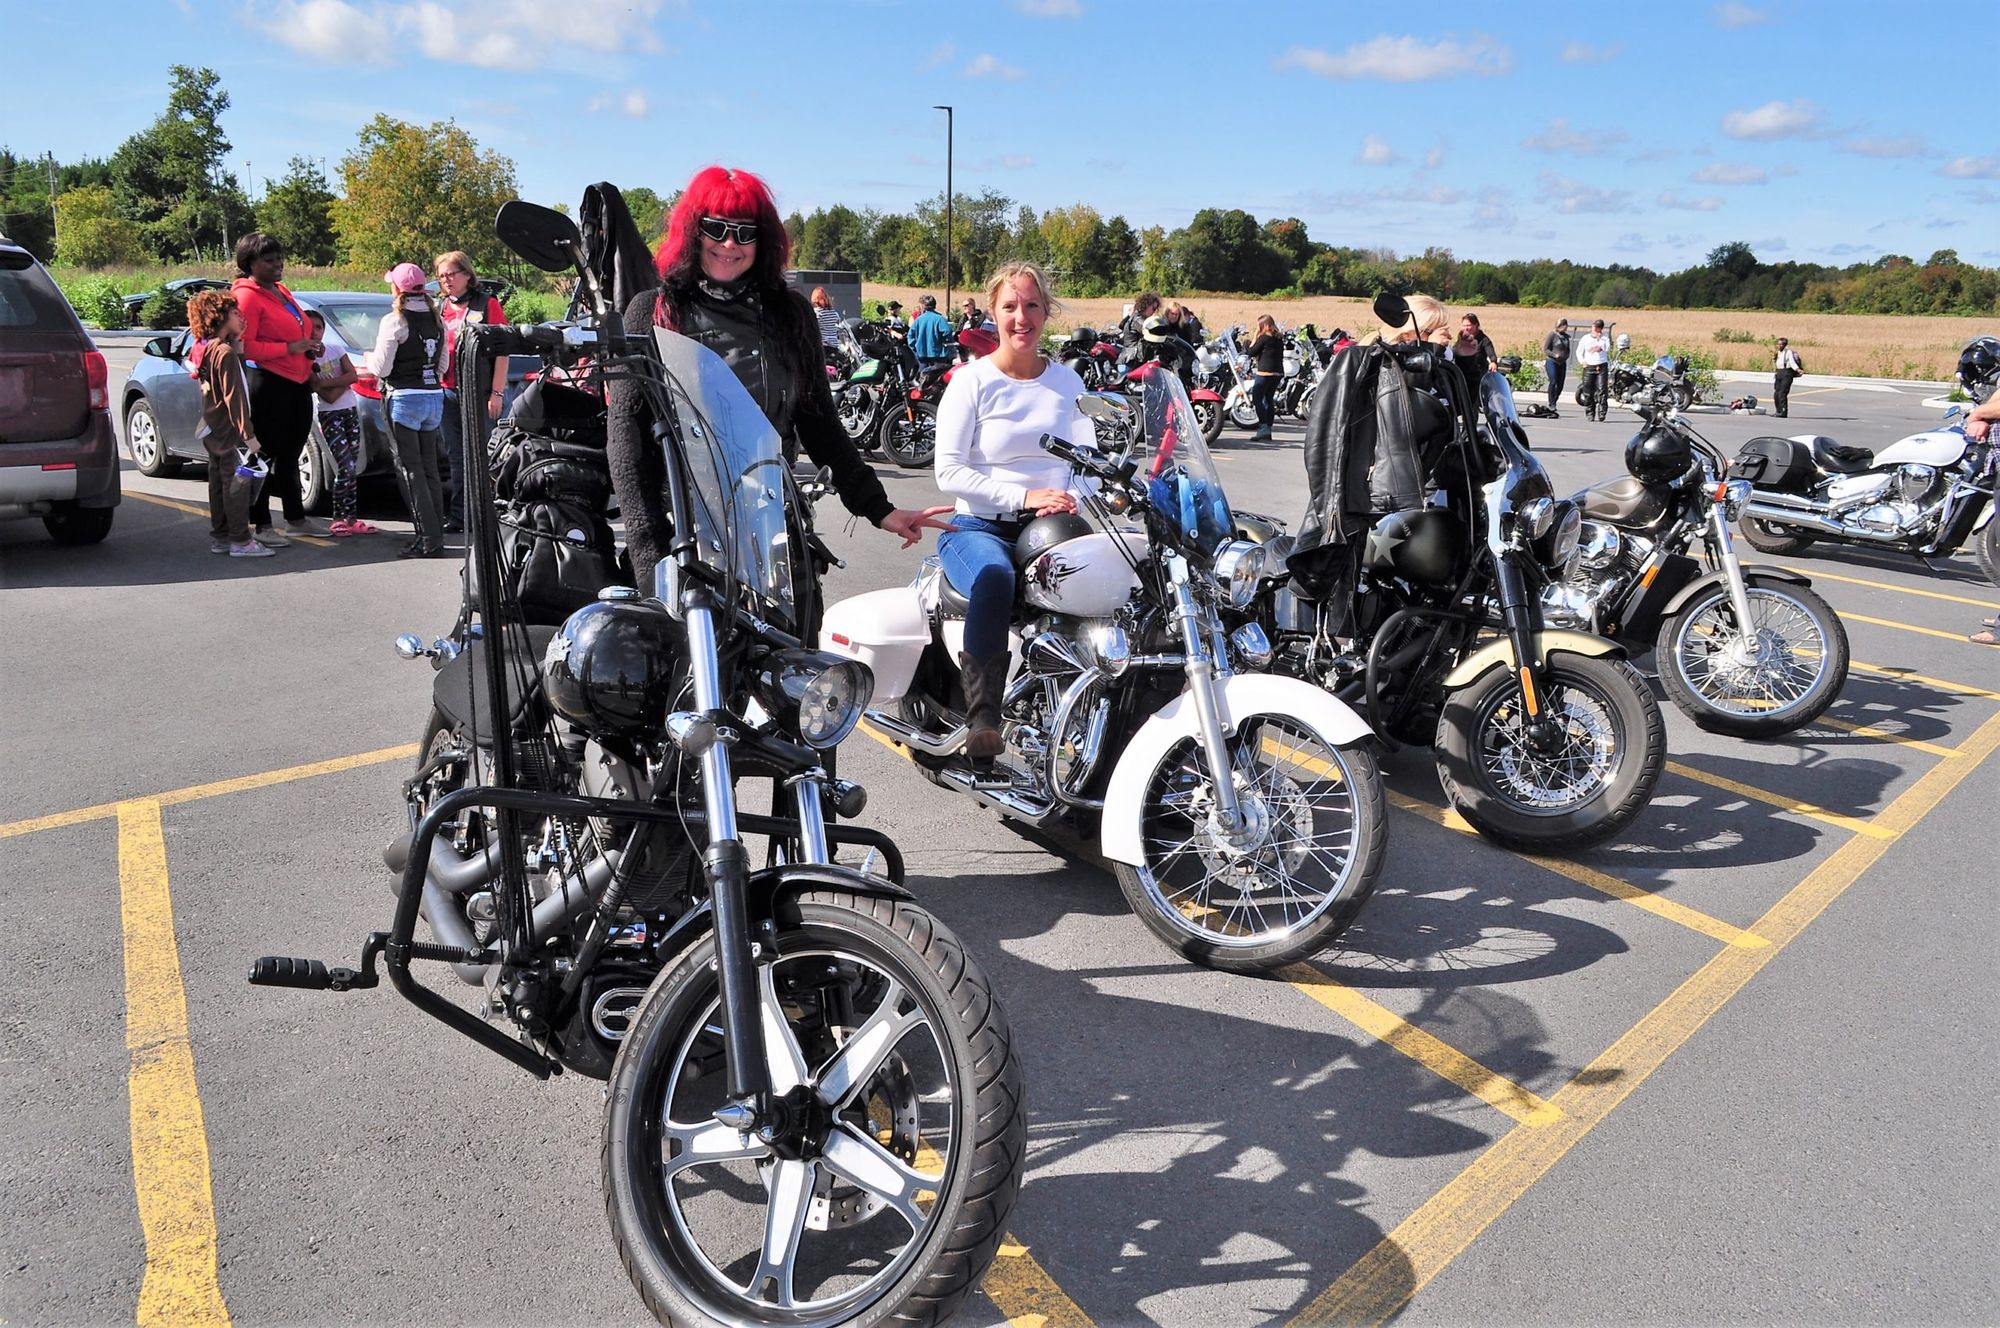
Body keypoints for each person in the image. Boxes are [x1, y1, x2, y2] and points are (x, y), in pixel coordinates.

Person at [607, 165, 951, 606]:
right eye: (716, 228)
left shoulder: (791, 315)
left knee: (798, 648)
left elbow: (820, 426)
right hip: (683, 541)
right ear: (694, 231)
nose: (729, 244)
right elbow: (627, 442)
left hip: (773, 538)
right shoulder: (653, 311)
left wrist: (878, 508)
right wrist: (648, 556)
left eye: (744, 232)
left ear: (763, 240)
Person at [933, 260, 1093, 758]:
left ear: (1046, 312)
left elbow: (1087, 462)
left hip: (1051, 527)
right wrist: (1024, 497)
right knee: (996, 578)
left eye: (1031, 305)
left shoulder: (1068, 384)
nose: (1021, 317)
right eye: (1010, 306)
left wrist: (1082, 494)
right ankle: (983, 718)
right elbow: (949, 472)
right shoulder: (971, 382)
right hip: (978, 527)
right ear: (993, 312)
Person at [229, 232, 321, 546]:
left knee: (291, 454)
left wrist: (308, 346)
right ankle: (261, 524)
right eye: (269, 260)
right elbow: (244, 346)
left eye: (279, 258)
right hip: (267, 383)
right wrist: (288, 348)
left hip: (297, 383)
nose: (277, 264)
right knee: (262, 456)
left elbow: (297, 329)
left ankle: (295, 519)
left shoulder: (280, 290)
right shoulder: (246, 296)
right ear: (250, 264)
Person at [367, 262, 451, 558]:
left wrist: (368, 358)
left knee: (409, 470)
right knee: (429, 469)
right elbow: (443, 365)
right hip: (433, 396)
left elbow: (382, 368)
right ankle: (436, 534)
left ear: (397, 288)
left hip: (403, 396)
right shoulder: (437, 318)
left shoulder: (395, 320)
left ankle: (427, 539)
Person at [185, 290, 273, 559]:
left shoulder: (207, 347)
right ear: (220, 316)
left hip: (213, 425)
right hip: (230, 429)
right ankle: (241, 540)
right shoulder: (223, 352)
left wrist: (239, 349)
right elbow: (235, 397)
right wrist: (249, 436)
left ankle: (221, 536)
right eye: (235, 313)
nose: (241, 317)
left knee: (218, 481)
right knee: (236, 483)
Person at [433, 250, 510, 532]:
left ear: (467, 274)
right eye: (441, 276)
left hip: (479, 391)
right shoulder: (440, 307)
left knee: (482, 455)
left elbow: (503, 352)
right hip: (447, 391)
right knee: (456, 456)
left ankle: (489, 514)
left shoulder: (487, 304)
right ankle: (460, 515)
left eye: (451, 274)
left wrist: (497, 393)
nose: (446, 280)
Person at [304, 309, 373, 536]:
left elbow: (353, 375)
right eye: (310, 327)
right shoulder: (306, 358)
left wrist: (330, 383)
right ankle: (337, 517)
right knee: (345, 466)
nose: (315, 332)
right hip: (330, 415)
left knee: (352, 467)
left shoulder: (335, 349)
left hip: (350, 411)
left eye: (319, 327)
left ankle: (351, 517)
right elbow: (325, 394)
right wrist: (341, 382)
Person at [1244, 314, 1284, 442]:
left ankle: (1263, 427)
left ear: (1264, 325)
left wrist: (1255, 336)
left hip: (1265, 372)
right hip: (1277, 372)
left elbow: (1250, 352)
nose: (1258, 328)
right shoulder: (1279, 338)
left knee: (1257, 398)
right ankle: (1268, 429)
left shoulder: (1264, 338)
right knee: (1268, 399)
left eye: (1259, 326)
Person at [1449, 314, 1498, 398]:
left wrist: (1493, 362)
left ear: (1476, 325)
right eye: (1464, 325)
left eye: (1468, 325)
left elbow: (1490, 352)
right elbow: (1454, 352)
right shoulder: (1462, 339)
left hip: (1477, 374)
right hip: (1462, 373)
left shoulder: (1484, 340)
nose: (1466, 328)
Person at [1577, 318, 1612, 421]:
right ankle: (1590, 413)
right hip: (1589, 366)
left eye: (1598, 329)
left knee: (1602, 390)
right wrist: (1582, 361)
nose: (1596, 330)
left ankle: (1602, 413)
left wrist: (1600, 340)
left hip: (1601, 365)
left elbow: (1608, 349)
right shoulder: (1585, 338)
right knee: (1588, 391)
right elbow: (1579, 351)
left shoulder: (1605, 338)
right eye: (1595, 328)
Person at [907, 294, 954, 369]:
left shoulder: (918, 320)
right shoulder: (940, 319)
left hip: (922, 356)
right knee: (939, 375)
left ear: (923, 306)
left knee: (923, 375)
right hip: (938, 356)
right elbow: (948, 332)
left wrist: (916, 349)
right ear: (934, 305)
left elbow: (910, 336)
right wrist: (946, 344)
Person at [1542, 317, 1571, 412]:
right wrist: (1554, 355)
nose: (1565, 328)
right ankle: (1551, 403)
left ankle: (1555, 399)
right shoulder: (1552, 335)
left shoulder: (1566, 337)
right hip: (1552, 361)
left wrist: (1566, 356)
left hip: (1562, 363)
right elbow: (1546, 349)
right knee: (1553, 381)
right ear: (1559, 326)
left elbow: (1567, 349)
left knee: (1560, 384)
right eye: (1564, 326)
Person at [1773, 336, 1805, 418]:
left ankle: (1784, 412)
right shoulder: (1778, 353)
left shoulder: (1788, 352)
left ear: (1785, 345)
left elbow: (1792, 362)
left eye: (1781, 344)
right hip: (1779, 373)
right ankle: (1778, 411)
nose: (1779, 346)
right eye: (1778, 344)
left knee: (1782, 393)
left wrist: (1798, 370)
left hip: (1786, 373)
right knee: (1776, 393)